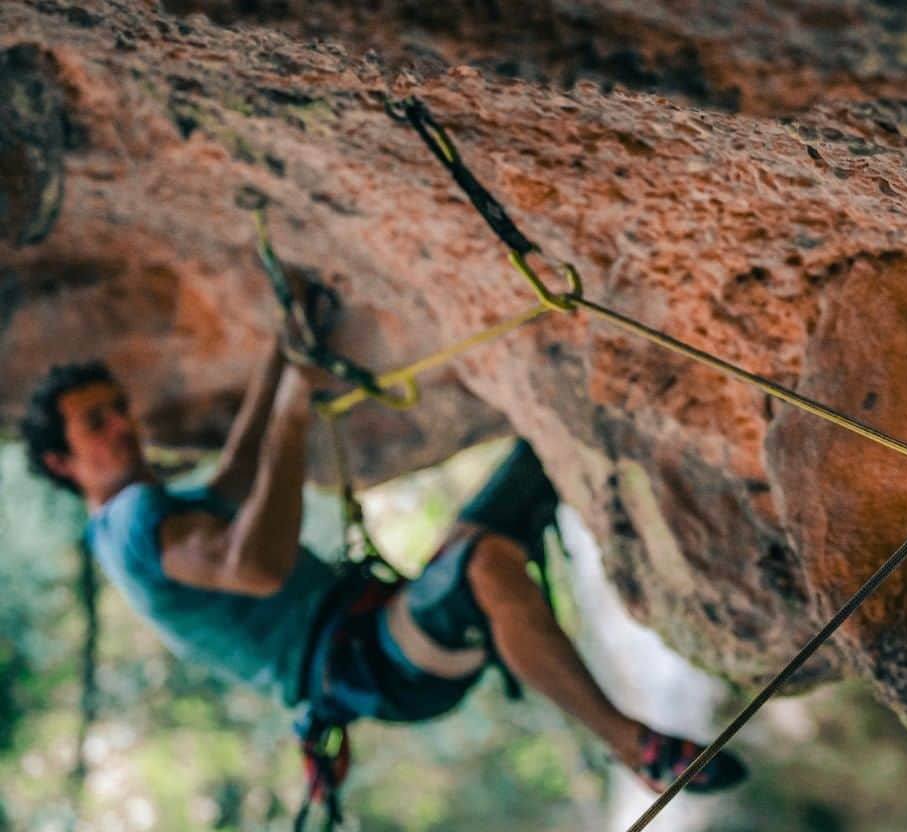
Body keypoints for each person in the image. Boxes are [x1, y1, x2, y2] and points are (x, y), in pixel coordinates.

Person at [20, 287, 747, 800]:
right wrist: (292, 418)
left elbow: (237, 472)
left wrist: (285, 349)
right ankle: (632, 745)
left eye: (117, 409)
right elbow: (260, 566)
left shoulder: (153, 519)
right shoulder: (131, 523)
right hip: (374, 659)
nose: (122, 426)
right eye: (95, 424)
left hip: (382, 636)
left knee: (542, 449)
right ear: (62, 462)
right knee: (485, 562)